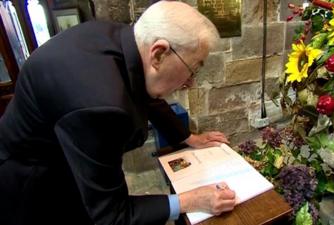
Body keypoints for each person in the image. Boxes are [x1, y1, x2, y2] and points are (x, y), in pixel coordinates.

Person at [0, 1, 236, 225]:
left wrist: (188, 138)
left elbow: (145, 88)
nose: (191, 83)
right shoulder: (100, 107)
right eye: (191, 70)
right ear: (159, 54)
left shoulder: (128, 41)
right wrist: (190, 199)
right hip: (35, 180)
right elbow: (112, 216)